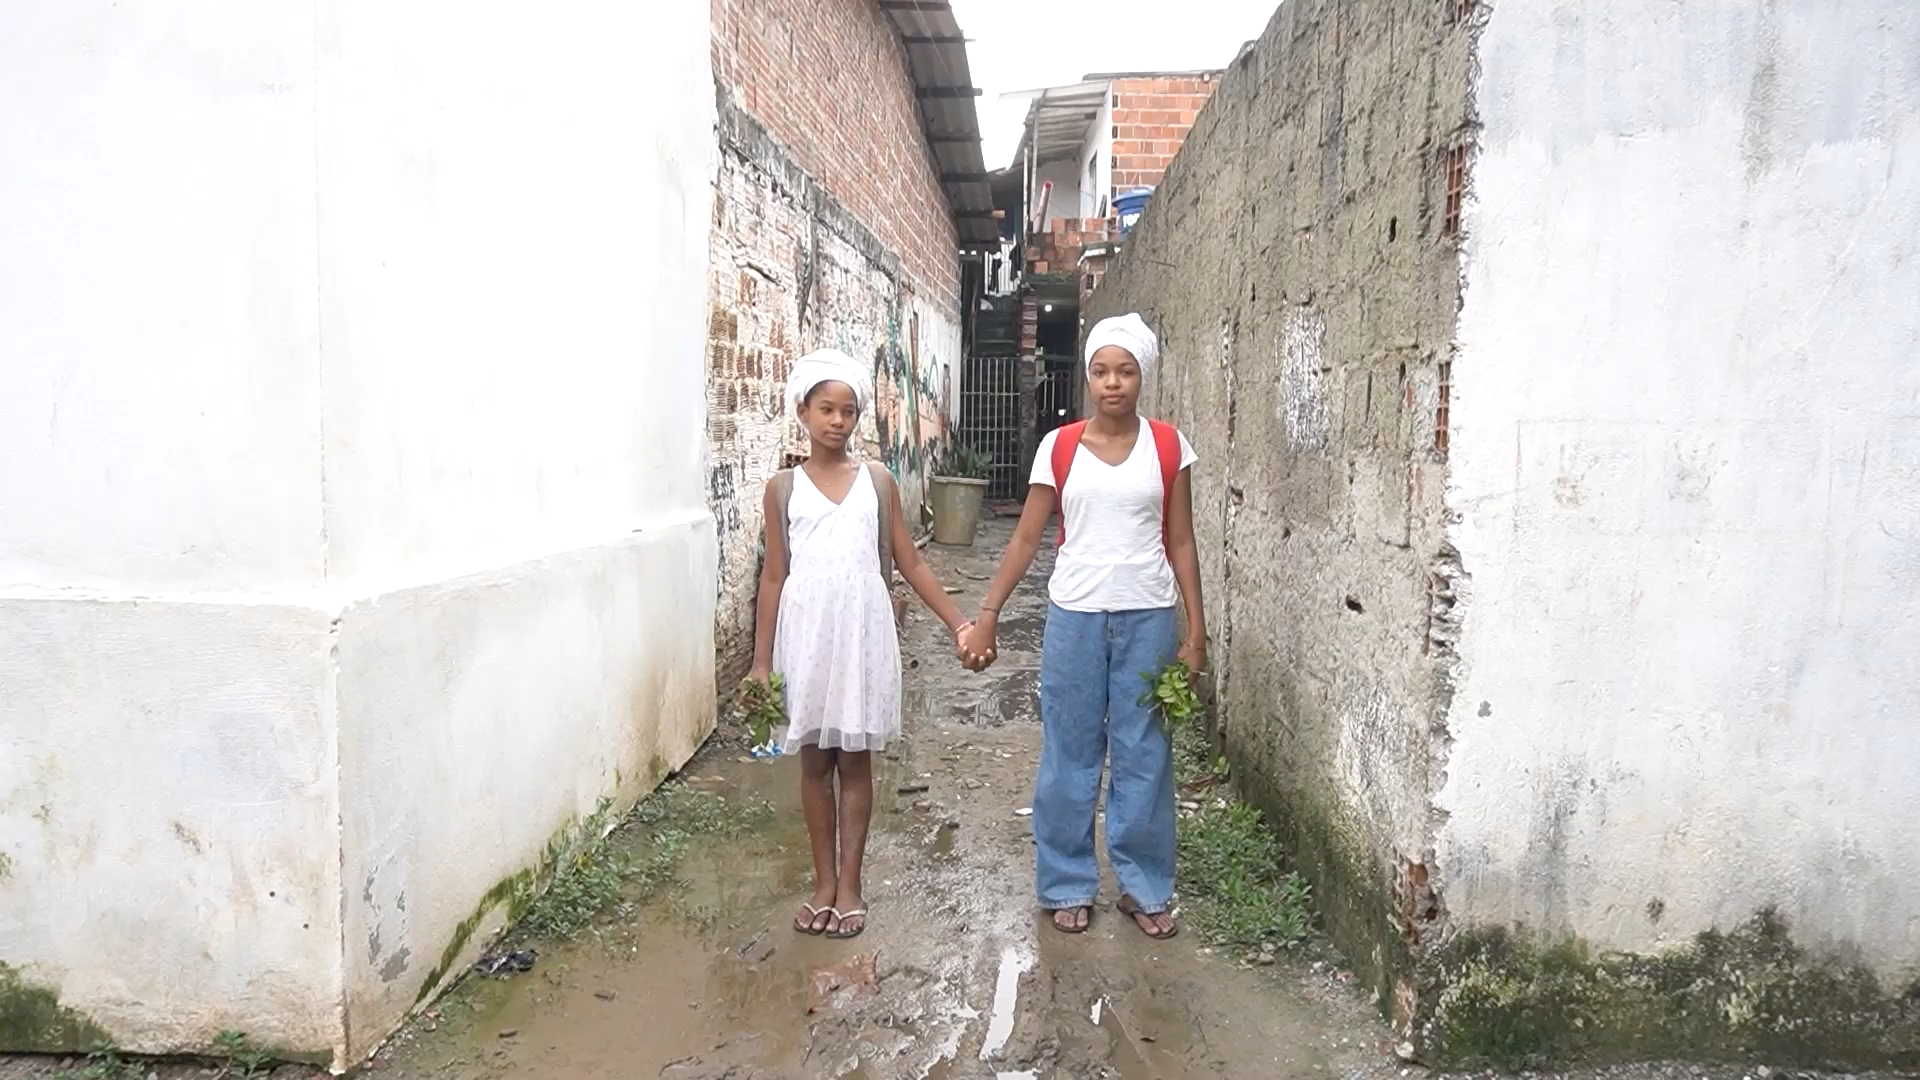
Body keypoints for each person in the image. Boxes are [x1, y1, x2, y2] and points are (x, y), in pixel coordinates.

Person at [960, 314, 1206, 939]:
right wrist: (988, 614)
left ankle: (1145, 889)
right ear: (1088, 379)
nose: (1112, 383)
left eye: (1125, 371)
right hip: (1074, 617)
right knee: (1069, 752)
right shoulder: (1061, 447)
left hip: (1147, 616)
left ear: (1142, 376)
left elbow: (1180, 541)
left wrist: (1195, 632)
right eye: (1101, 371)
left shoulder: (1168, 447)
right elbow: (1024, 535)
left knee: (1143, 753)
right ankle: (1067, 881)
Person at [750, 348, 974, 940]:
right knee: (814, 762)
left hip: (860, 637)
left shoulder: (877, 482)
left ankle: (850, 885)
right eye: (826, 409)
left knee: (856, 763)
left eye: (849, 411)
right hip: (808, 639)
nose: (838, 421)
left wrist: (959, 623)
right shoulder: (781, 489)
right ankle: (821, 881)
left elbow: (911, 560)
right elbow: (774, 576)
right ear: (802, 410)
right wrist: (759, 663)